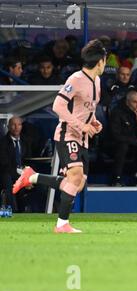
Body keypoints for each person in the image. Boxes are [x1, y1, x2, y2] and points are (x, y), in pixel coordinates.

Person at [12, 39, 106, 233]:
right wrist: (81, 125)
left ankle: (32, 177)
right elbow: (58, 106)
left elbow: (87, 108)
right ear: (100, 62)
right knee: (75, 177)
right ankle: (62, 224)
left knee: (77, 184)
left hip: (83, 138)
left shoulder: (97, 81)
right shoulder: (76, 79)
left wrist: (94, 121)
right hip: (67, 134)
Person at [110, 90, 137, 186]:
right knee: (123, 146)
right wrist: (135, 140)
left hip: (133, 144)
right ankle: (116, 178)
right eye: (134, 102)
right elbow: (115, 135)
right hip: (118, 143)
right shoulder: (117, 112)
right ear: (127, 102)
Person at [0, 116, 32, 212]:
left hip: (22, 173)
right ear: (9, 127)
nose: (16, 127)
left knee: (40, 186)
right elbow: (4, 164)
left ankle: (38, 212)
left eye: (19, 124)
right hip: (8, 173)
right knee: (8, 180)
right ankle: (14, 212)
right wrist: (20, 175)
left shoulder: (26, 141)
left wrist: (28, 176)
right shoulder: (2, 143)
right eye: (13, 125)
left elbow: (28, 160)